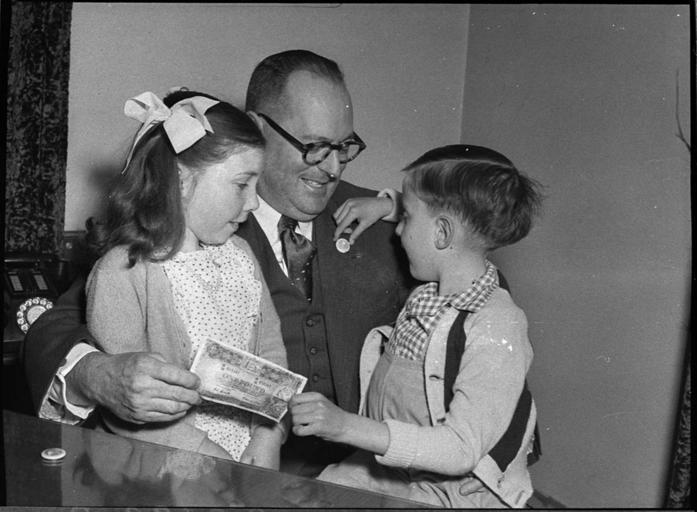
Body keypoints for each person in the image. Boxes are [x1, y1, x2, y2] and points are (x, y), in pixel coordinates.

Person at [24, 50, 414, 477]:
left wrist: (400, 204)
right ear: (259, 128)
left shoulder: (381, 219)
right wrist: (94, 374)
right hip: (197, 468)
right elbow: (56, 327)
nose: (334, 168)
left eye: (344, 146)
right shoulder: (180, 232)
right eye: (316, 146)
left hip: (361, 477)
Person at [288, 144, 543, 507]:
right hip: (396, 467)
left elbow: (462, 446)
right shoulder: (433, 291)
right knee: (314, 494)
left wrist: (344, 426)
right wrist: (386, 206)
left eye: (406, 218)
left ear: (442, 234)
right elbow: (440, 215)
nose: (397, 231)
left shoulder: (496, 321)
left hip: (452, 486)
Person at [82, 89, 288, 466]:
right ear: (181, 181)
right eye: (242, 184)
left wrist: (268, 435)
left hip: (248, 457)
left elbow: (271, 358)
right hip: (164, 465)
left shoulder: (242, 256)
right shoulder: (122, 271)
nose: (254, 202)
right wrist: (210, 457)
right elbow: (130, 401)